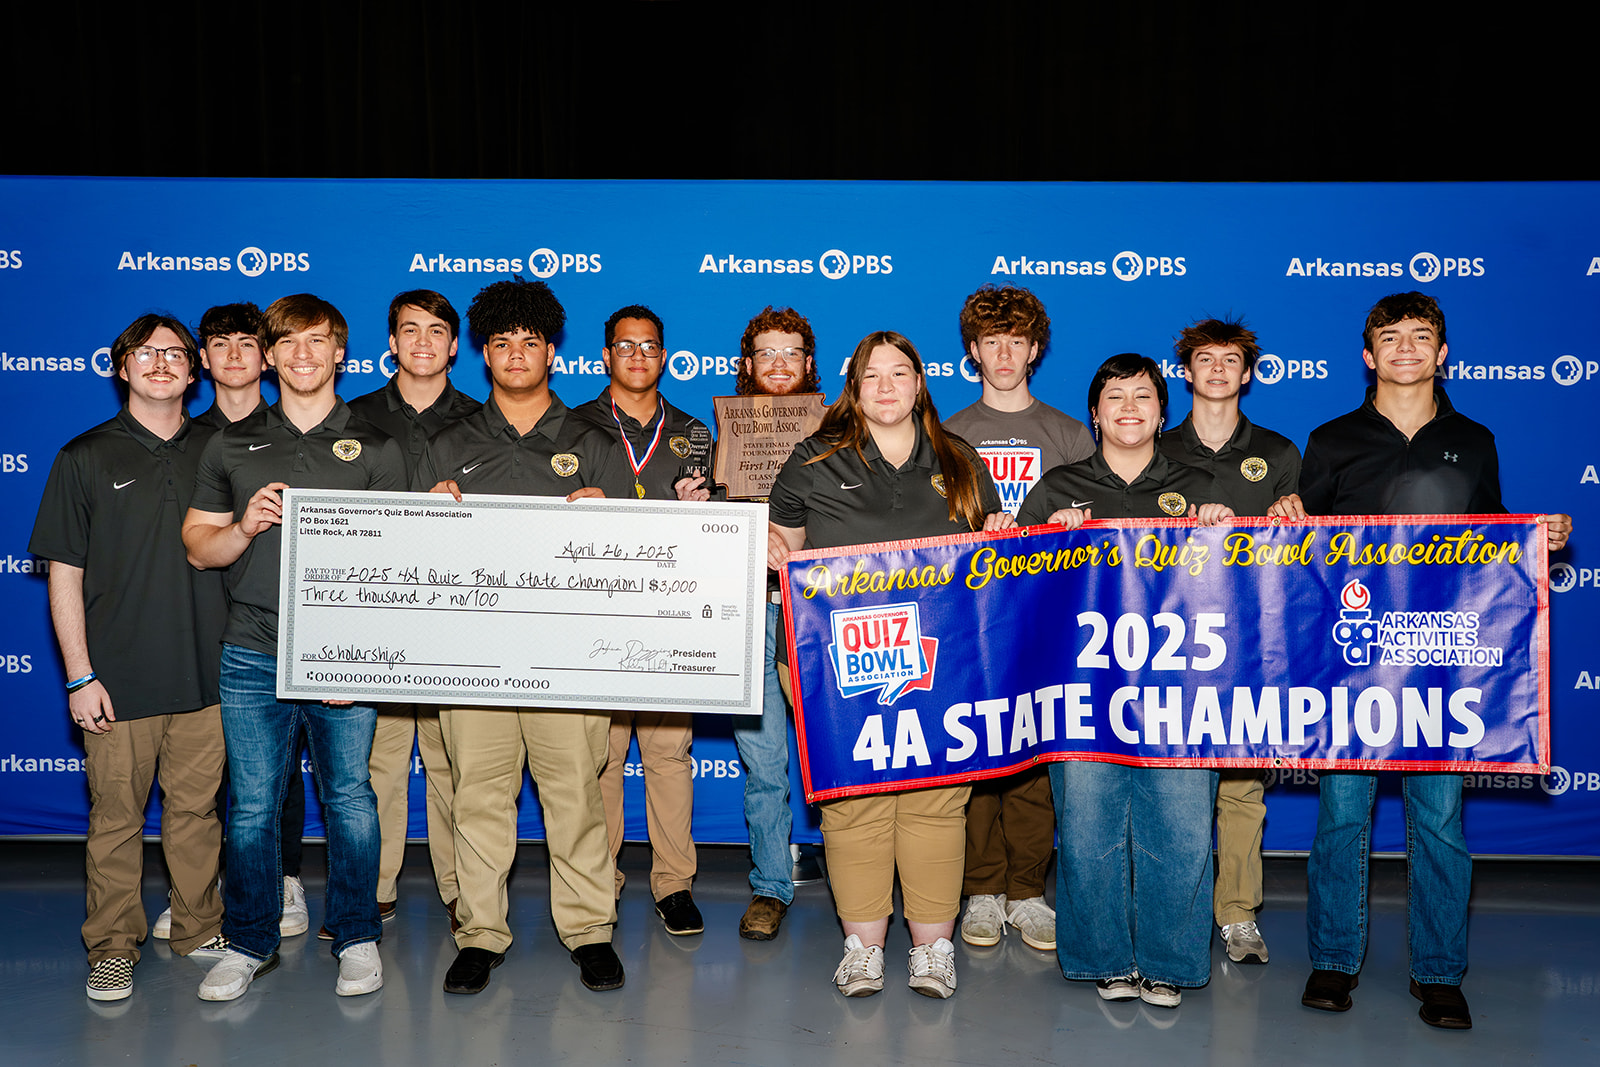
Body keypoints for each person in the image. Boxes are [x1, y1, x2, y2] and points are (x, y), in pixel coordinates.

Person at [1268, 291, 1572, 1030]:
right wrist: (1286, 516)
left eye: (1420, 335)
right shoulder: (1331, 439)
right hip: (1351, 661)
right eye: (1391, 337)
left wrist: (1538, 536)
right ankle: (1333, 960)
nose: (1406, 347)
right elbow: (1304, 551)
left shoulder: (1474, 439)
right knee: (1342, 818)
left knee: (1439, 820)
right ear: (1368, 355)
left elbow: (1493, 541)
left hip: (1441, 660)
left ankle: (1439, 972)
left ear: (1442, 353)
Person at [768, 330, 1013, 999]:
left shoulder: (959, 458)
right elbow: (782, 547)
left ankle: (933, 949)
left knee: (937, 799)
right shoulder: (814, 457)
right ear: (854, 386)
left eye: (898, 373)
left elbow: (991, 555)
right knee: (853, 801)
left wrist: (1001, 533)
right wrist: (769, 549)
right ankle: (863, 950)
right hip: (833, 660)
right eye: (871, 375)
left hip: (942, 659)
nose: (885, 387)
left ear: (919, 383)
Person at [183, 294, 405, 1002]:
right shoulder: (230, 443)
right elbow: (199, 547)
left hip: (345, 654)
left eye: (317, 341)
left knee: (350, 798)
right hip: (253, 649)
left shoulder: (378, 445)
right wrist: (243, 526)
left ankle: (357, 934)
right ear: (270, 356)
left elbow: (401, 563)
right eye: (288, 343)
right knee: (252, 805)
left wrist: (356, 652)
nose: (303, 354)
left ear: (340, 352)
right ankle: (249, 940)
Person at [416, 277, 628, 995]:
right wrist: (426, 519)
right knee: (478, 796)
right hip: (471, 656)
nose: (515, 353)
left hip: (568, 658)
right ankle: (479, 932)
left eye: (529, 342)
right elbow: (412, 563)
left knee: (575, 795)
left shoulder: (593, 442)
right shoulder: (447, 441)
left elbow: (635, 563)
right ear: (483, 352)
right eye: (501, 342)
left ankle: (590, 930)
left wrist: (612, 520)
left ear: (551, 353)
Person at [1016, 352, 1233, 1009]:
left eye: (1143, 396)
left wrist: (1225, 532)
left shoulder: (1204, 485)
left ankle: (1171, 962)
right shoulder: (1057, 488)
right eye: (1115, 396)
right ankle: (1101, 957)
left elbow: (1246, 585)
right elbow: (1016, 589)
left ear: (1163, 413)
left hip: (1182, 694)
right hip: (1084, 694)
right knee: (1088, 828)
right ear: (1095, 413)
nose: (1129, 407)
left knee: (1183, 829)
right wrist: (1042, 541)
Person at [30, 314, 232, 1001]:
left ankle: (199, 926)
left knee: (197, 813)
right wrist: (79, 675)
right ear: (121, 368)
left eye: (175, 352)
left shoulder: (222, 448)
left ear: (194, 370)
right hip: (117, 678)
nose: (161, 362)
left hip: (211, 673)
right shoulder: (84, 456)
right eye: (145, 353)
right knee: (116, 819)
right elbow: (64, 574)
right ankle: (113, 945)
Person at [943, 284, 1094, 954]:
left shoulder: (1068, 433)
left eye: (1017, 341)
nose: (1004, 354)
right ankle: (981, 889)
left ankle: (1028, 891)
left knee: (1035, 754)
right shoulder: (948, 435)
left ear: (1035, 350)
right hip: (973, 619)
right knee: (976, 751)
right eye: (991, 342)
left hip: (1044, 620)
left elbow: (1096, 527)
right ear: (973, 352)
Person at [1158, 316, 1301, 967]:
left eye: (1231, 360)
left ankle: (1238, 912)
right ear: (1186, 372)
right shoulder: (1155, 446)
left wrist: (1292, 523)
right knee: (1175, 785)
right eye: (1205, 359)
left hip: (1249, 641)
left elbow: (1299, 555)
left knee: (1242, 785)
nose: (1218, 369)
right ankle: (1175, 910)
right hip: (1169, 642)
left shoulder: (1277, 451)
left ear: (1248, 374)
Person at [346, 289, 481, 936]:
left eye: (436, 331)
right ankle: (373, 891)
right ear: (391, 342)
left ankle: (462, 892)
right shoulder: (353, 417)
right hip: (380, 616)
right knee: (381, 763)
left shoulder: (484, 420)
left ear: (454, 346)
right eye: (409, 329)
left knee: (456, 761)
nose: (422, 341)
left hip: (458, 617)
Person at [574, 305, 708, 937]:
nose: (637, 356)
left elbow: (716, 526)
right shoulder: (572, 425)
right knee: (600, 755)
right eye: (624, 346)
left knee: (668, 753)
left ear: (664, 356)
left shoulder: (694, 432)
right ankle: (599, 879)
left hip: (668, 618)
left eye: (649, 346)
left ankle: (674, 883)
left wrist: (701, 508)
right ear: (606, 356)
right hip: (594, 614)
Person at [183, 302, 314, 941]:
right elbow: (193, 539)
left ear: (267, 356)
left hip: (271, 626)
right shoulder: (188, 437)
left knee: (276, 769)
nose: (234, 355)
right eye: (219, 343)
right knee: (211, 774)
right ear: (202, 359)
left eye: (247, 342)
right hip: (197, 619)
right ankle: (204, 893)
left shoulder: (298, 430)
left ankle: (282, 878)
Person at [726, 306, 825, 941]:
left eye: (791, 352)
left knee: (837, 754)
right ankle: (770, 886)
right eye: (767, 352)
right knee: (764, 766)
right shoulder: (720, 433)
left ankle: (859, 883)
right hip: (746, 611)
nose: (779, 363)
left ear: (809, 364)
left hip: (816, 613)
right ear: (748, 364)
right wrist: (700, 503)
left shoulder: (843, 433)